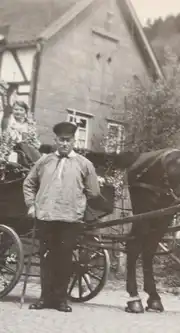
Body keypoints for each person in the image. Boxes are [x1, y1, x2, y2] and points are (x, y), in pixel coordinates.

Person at [23, 121, 101, 312]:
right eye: (61, 140)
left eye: (68, 140)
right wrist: (32, 205)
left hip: (70, 219)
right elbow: (29, 183)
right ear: (55, 140)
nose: (64, 144)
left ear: (74, 141)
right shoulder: (44, 161)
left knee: (64, 260)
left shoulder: (84, 164)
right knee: (46, 258)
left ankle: (60, 300)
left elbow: (94, 191)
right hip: (46, 217)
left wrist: (76, 201)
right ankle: (44, 298)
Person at [0, 100, 42, 165]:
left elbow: (33, 140)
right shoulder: (7, 121)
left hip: (26, 152)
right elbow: (4, 138)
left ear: (25, 111)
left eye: (21, 110)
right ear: (12, 110)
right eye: (16, 109)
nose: (18, 112)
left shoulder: (29, 123)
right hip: (10, 149)